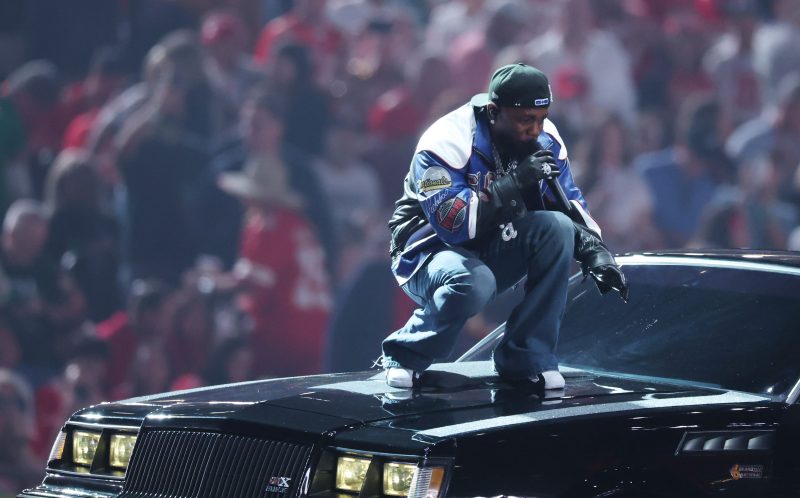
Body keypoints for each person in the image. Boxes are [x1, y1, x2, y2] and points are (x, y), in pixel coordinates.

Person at [381, 63, 628, 390]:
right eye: (526, 119)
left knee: (556, 228)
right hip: (426, 251)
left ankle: (526, 358)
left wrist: (596, 253)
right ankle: (405, 353)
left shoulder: (546, 138)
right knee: (475, 281)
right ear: (494, 112)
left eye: (541, 118)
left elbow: (568, 201)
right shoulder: (444, 140)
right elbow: (453, 224)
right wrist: (516, 181)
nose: (535, 130)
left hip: (489, 241)